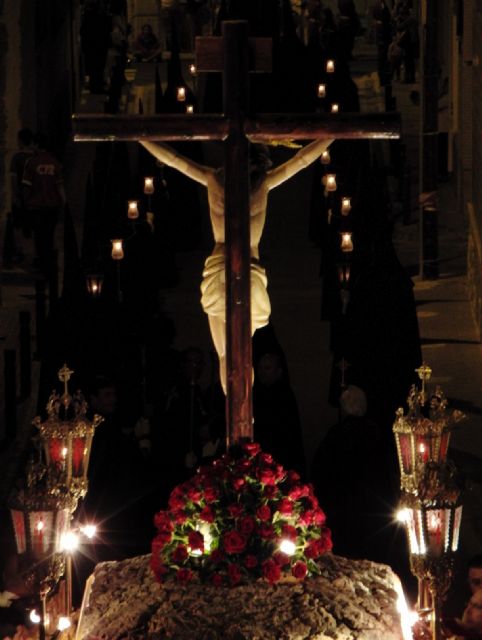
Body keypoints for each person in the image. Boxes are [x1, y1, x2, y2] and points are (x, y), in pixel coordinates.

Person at [140, 137, 334, 392]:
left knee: (236, 352)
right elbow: (173, 160)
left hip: (236, 267)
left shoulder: (245, 182)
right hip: (228, 266)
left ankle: (242, 417)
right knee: (229, 352)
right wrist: (330, 134)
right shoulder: (237, 181)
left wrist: (331, 135)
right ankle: (237, 418)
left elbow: (302, 161)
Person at [253, 351, 306, 476]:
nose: (262, 372)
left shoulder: (283, 395)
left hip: (279, 458)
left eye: (267, 368)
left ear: (279, 371)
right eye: (260, 368)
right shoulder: (257, 393)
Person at [22, 133, 66, 276]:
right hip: (52, 205)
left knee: (39, 235)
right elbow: (60, 187)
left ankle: (41, 262)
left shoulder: (31, 162)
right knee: (49, 234)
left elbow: (27, 186)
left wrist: (25, 202)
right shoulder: (55, 163)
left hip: (36, 206)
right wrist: (63, 203)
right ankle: (48, 262)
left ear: (36, 145)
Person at [6, 128, 36, 265]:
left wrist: (15, 196)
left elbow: (13, 179)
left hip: (20, 198)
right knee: (32, 227)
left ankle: (21, 252)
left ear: (20, 141)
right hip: (34, 198)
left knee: (18, 226)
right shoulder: (35, 158)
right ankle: (33, 253)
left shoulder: (17, 158)